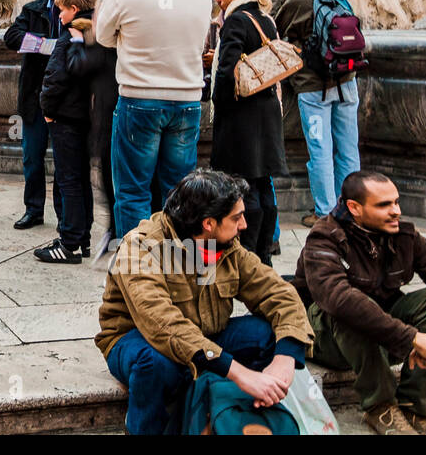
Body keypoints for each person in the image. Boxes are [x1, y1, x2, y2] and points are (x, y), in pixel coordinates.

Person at [96, 168, 314, 435]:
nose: (244, 224)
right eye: (236, 218)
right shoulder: (141, 247)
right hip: (139, 341)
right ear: (209, 224)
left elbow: (279, 294)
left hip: (207, 336)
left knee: (267, 335)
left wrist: (285, 359)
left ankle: (232, 412)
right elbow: (162, 325)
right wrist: (240, 373)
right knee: (153, 363)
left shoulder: (226, 245)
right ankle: (145, 427)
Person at [293, 171, 426, 435]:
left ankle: (415, 406)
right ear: (354, 208)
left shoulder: (404, 235)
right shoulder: (324, 238)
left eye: (396, 202)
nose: (396, 211)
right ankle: (380, 406)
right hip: (327, 339)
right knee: (353, 305)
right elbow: (339, 300)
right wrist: (414, 339)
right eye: (384, 205)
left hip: (384, 334)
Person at [94, 0, 211, 239]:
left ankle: (139, 268)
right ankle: (176, 264)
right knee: (179, 192)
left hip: (139, 98)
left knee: (132, 191)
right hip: (187, 100)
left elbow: (103, 37)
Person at [207, 0, 287, 265]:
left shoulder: (236, 20)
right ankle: (264, 255)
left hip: (242, 115)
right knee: (263, 183)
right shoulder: (264, 18)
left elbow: (227, 72)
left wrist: (220, 106)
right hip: (265, 110)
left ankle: (248, 257)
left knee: (244, 186)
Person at [275, 0, 362, 227]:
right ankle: (352, 210)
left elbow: (274, 29)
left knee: (320, 150)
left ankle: (325, 214)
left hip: (314, 89)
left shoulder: (298, 1)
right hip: (347, 83)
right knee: (348, 149)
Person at [35, 0, 107, 263]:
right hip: (90, 117)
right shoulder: (99, 30)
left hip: (68, 117)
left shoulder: (72, 33)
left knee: (68, 181)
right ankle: (82, 238)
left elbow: (55, 78)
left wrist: (48, 109)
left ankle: (70, 243)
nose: (59, 15)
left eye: (62, 9)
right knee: (81, 180)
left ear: (74, 8)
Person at [4, 0, 80, 230]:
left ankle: (64, 216)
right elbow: (11, 37)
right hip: (35, 96)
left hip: (66, 100)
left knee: (64, 162)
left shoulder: (82, 13)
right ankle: (33, 209)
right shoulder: (34, 9)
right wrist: (43, 44)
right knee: (32, 157)